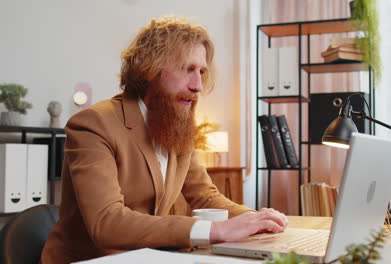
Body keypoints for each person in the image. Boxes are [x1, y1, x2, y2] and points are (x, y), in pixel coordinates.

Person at [41, 16, 287, 264]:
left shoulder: (175, 124)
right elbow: (107, 222)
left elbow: (205, 196)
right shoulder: (93, 124)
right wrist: (215, 231)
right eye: (187, 69)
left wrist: (257, 219)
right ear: (149, 68)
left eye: (201, 72)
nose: (198, 86)